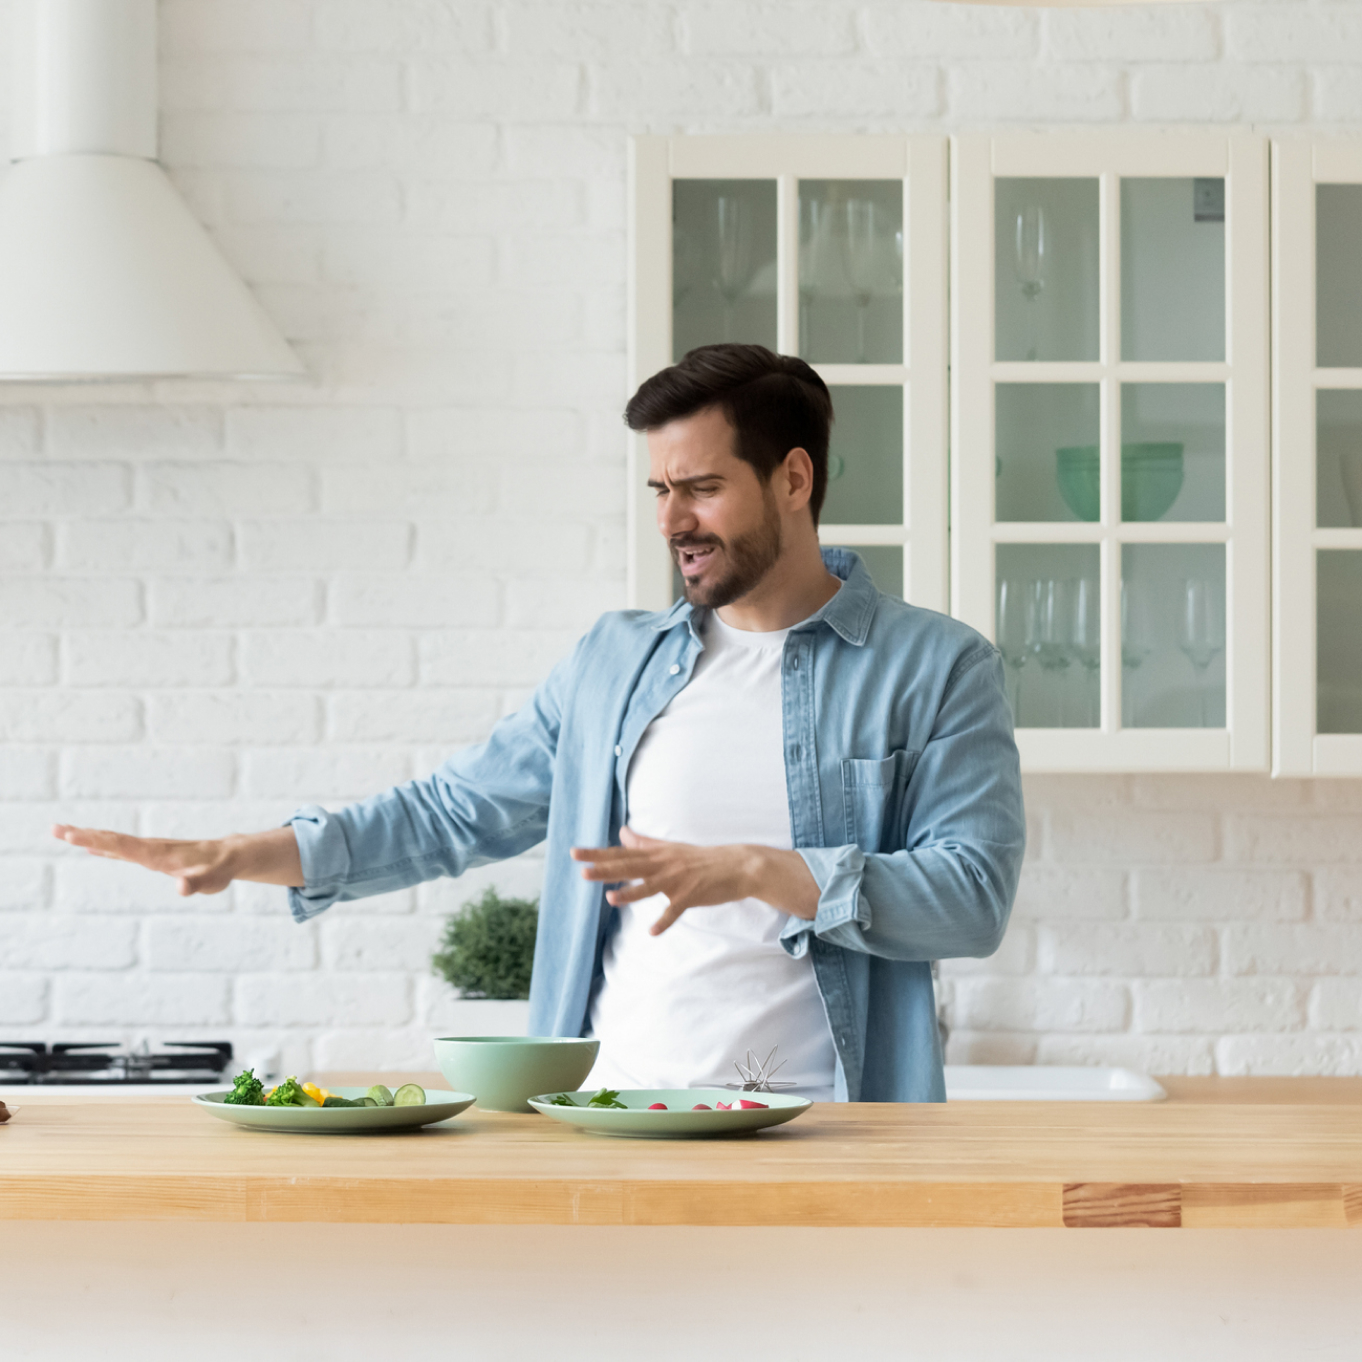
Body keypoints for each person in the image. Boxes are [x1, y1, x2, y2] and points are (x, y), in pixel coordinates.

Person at [53, 344, 1025, 1102]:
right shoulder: (615, 663)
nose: (672, 520)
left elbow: (971, 898)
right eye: (659, 490)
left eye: (702, 488)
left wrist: (756, 869)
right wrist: (252, 854)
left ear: (795, 480)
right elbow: (453, 812)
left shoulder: (936, 667)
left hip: (829, 1132)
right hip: (611, 1118)